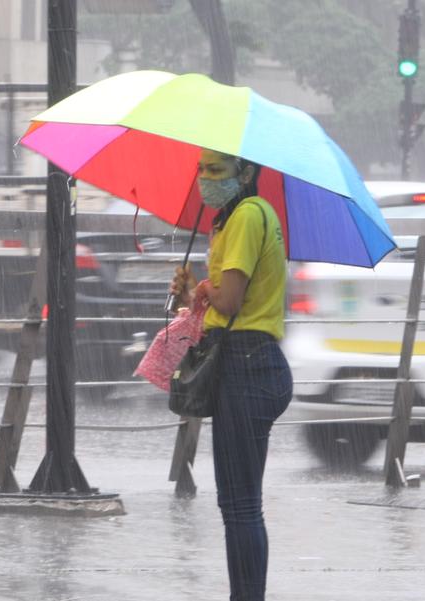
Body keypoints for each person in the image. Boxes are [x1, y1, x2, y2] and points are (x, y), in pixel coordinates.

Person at [169, 148, 293, 601]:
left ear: (246, 172)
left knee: (239, 506)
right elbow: (224, 302)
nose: (205, 178)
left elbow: (229, 301)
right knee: (243, 505)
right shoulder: (247, 215)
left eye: (216, 169)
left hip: (245, 366)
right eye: (201, 168)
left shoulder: (244, 216)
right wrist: (192, 293)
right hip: (255, 362)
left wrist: (203, 289)